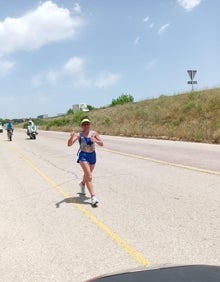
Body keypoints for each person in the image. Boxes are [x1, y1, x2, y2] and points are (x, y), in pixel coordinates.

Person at [67, 116, 103, 206]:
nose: (86, 125)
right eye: (84, 124)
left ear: (89, 125)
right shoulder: (79, 135)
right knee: (89, 176)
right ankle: (93, 197)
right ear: (82, 126)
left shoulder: (94, 133)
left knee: (87, 175)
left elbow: (102, 144)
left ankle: (82, 183)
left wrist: (95, 140)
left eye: (87, 124)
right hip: (83, 156)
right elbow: (69, 144)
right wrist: (71, 137)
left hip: (92, 155)